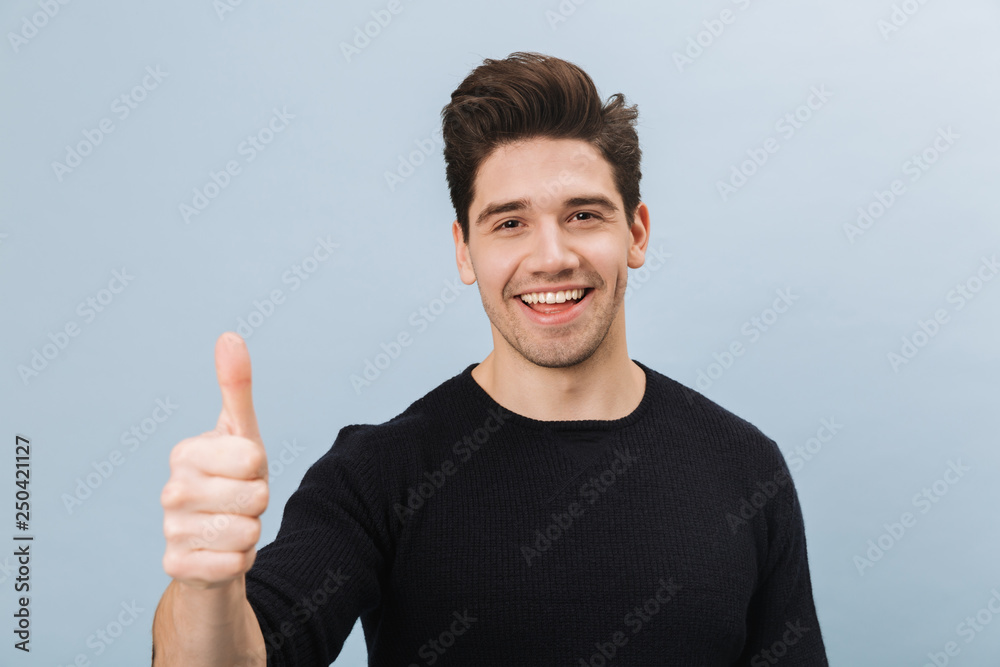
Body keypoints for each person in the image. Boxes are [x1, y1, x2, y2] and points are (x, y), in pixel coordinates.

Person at [152, 51, 828, 666]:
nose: (551, 256)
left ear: (637, 233)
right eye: (509, 223)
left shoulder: (745, 468)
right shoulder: (376, 477)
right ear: (464, 251)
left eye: (584, 215)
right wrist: (206, 586)